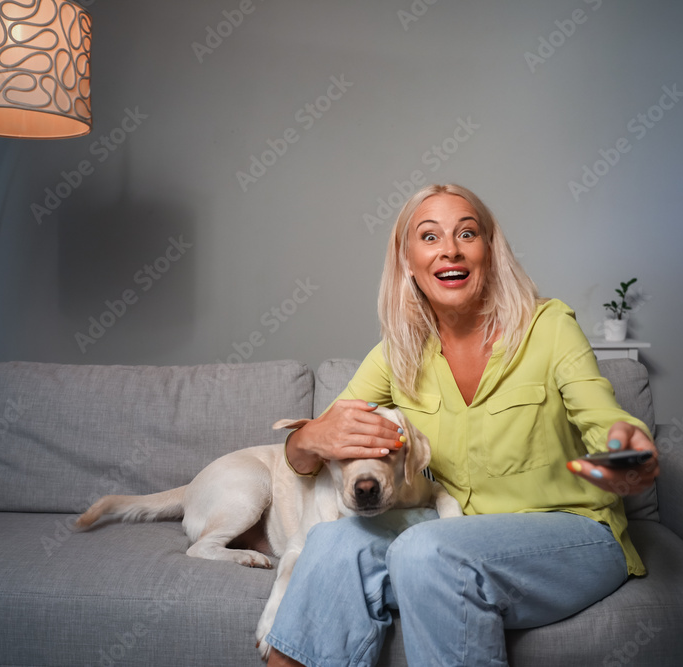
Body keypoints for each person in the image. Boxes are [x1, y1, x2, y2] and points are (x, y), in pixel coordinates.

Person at [264, 184, 659, 667]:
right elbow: (320, 444)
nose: (449, 248)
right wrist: (307, 439)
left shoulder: (549, 327)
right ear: (408, 261)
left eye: (466, 233)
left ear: (489, 252)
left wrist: (624, 452)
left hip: (572, 533)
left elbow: (604, 420)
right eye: (429, 237)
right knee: (334, 542)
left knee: (426, 551)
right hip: (456, 533)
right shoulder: (397, 353)